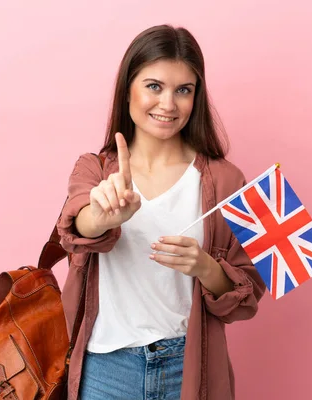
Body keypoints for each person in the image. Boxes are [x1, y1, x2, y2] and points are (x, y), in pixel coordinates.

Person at [57, 24, 266, 400]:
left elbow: (247, 294)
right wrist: (103, 217)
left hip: (188, 367)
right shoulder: (94, 169)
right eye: (154, 86)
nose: (168, 104)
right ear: (127, 91)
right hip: (104, 370)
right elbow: (76, 226)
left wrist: (206, 267)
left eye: (183, 90)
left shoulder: (227, 180)